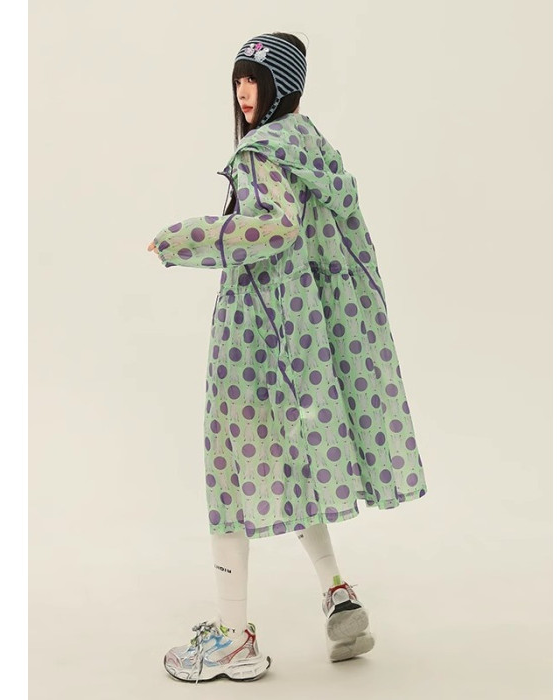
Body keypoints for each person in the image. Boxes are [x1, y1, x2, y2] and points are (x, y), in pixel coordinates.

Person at [147, 31, 428, 683]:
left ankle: (232, 636)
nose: (244, 91)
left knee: (229, 473)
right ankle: (337, 591)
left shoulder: (259, 151)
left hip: (255, 335)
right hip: (306, 335)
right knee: (289, 462)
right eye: (238, 79)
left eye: (256, 79)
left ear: (285, 86)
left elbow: (276, 227)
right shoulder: (312, 145)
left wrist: (188, 238)